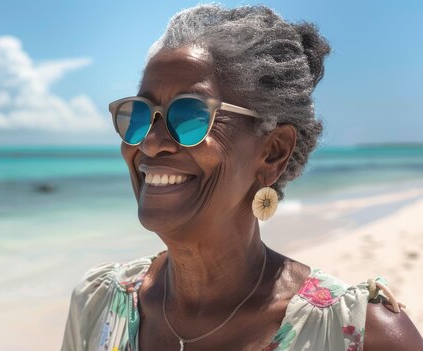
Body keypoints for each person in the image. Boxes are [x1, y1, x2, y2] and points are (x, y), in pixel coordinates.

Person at [61, 4, 423, 351]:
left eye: (190, 116)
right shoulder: (98, 305)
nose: (151, 144)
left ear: (273, 151)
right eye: (140, 115)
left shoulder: (363, 337)